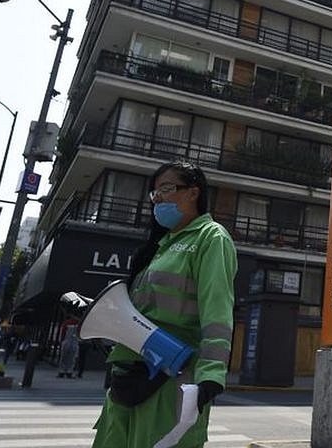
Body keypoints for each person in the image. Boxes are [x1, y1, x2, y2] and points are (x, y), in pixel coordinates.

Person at [80, 161, 237, 448]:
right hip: (129, 372)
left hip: (172, 376)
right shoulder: (160, 246)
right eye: (154, 193)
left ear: (193, 193)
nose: (157, 199)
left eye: (166, 189)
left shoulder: (211, 238)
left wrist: (211, 375)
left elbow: (217, 312)